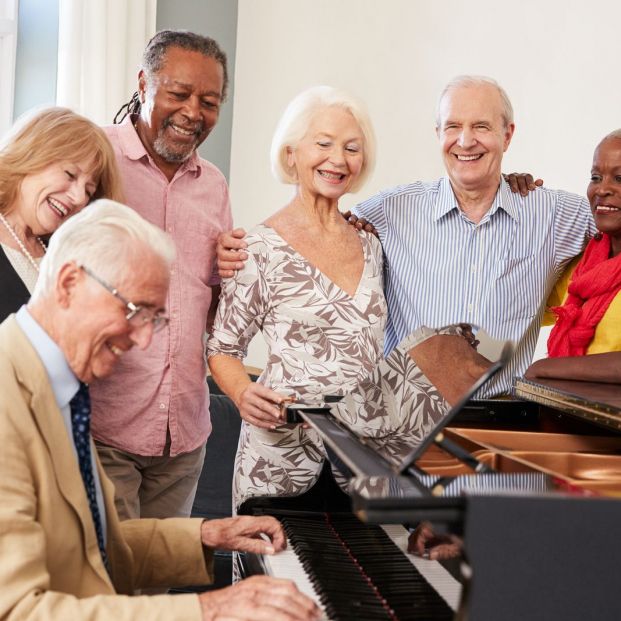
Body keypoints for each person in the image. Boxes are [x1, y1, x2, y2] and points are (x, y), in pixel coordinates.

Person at [0, 199, 319, 621]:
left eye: (154, 319)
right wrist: (210, 608)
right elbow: (19, 609)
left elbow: (95, 551)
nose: (144, 341)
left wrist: (207, 534)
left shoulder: (62, 390)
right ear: (69, 283)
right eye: (134, 311)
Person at [218, 75, 596, 400]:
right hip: (403, 431)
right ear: (438, 134)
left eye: (481, 127)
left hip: (507, 425)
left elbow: (612, 222)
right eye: (452, 126)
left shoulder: (553, 215)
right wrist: (234, 250)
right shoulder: (391, 211)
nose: (465, 141)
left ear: (507, 135)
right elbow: (319, 231)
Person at [207, 86, 464, 511]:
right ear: (291, 154)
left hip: (363, 459)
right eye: (323, 144)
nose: (338, 159)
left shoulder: (370, 245)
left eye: (352, 148)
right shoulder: (256, 249)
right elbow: (223, 348)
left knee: (358, 574)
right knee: (275, 574)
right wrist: (241, 394)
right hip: (281, 458)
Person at [90, 30, 234, 521]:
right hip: (104, 426)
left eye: (209, 101)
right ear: (143, 84)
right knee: (105, 589)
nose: (193, 113)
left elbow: (213, 299)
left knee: (161, 586)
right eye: (178, 94)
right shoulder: (94, 157)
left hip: (185, 433)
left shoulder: (213, 184)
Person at [0, 106, 124, 320]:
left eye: (88, 190)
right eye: (70, 174)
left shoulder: (65, 259)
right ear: (31, 154)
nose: (78, 198)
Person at [526, 130, 621, 382]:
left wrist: (545, 369)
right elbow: (516, 306)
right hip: (566, 415)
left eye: (620, 178)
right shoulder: (581, 265)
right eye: (596, 177)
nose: (602, 189)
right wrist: (520, 205)